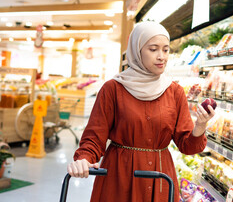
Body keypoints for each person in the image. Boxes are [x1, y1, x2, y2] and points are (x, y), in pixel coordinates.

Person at [67, 21, 215, 202]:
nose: (162, 56)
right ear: (137, 51)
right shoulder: (113, 89)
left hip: (160, 178)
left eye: (166, 50)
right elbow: (94, 138)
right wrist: (84, 159)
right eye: (153, 49)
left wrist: (200, 125)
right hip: (119, 176)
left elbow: (187, 146)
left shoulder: (174, 91)